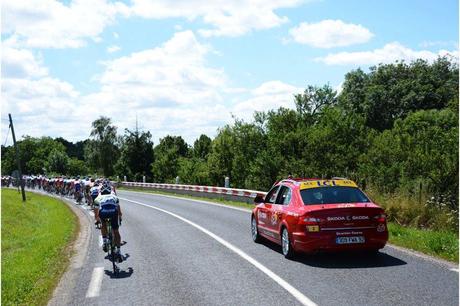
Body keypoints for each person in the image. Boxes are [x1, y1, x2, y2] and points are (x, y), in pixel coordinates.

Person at [94, 183, 123, 262]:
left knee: (103, 225)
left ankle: (104, 241)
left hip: (104, 213)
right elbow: (118, 208)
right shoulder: (114, 197)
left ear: (101, 191)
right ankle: (119, 251)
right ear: (110, 191)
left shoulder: (98, 198)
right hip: (113, 213)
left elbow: (96, 210)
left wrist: (97, 219)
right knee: (116, 231)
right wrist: (120, 216)